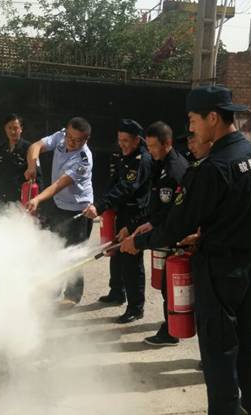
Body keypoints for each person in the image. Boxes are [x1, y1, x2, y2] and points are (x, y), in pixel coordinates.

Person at [121, 85, 251, 415]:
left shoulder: (213, 167)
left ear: (212, 118)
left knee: (219, 353)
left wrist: (138, 242)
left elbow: (175, 227)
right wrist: (205, 231)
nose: (190, 127)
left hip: (221, 273)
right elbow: (247, 210)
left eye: (192, 119)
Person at [83, 119, 152, 324]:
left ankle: (135, 307)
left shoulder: (141, 160)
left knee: (131, 260)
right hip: (121, 212)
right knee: (116, 253)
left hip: (135, 216)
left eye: (126, 141)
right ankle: (116, 292)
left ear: (136, 140)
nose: (122, 144)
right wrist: (101, 204)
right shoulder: (124, 156)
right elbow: (113, 184)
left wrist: (100, 207)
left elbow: (126, 188)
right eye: (119, 140)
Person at [25, 117, 94, 306]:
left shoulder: (83, 160)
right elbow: (36, 146)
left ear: (85, 139)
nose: (71, 142)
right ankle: (52, 291)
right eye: (69, 137)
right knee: (54, 247)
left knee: (73, 253)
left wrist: (37, 199)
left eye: (77, 140)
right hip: (58, 204)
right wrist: (32, 165)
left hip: (78, 209)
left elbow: (58, 185)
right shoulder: (61, 136)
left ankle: (72, 296)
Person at [131, 121, 189, 345]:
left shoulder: (173, 170)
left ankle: (171, 331)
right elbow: (160, 207)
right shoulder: (161, 163)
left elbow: (172, 211)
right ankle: (172, 324)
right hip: (163, 227)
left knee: (171, 285)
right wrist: (149, 222)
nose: (150, 150)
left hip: (175, 236)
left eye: (154, 146)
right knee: (168, 284)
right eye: (148, 146)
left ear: (167, 143)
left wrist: (149, 231)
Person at [0, 114, 36, 206]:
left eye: (15, 128)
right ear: (5, 129)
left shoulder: (29, 148)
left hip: (21, 200)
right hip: (2, 199)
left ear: (21, 129)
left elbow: (37, 177)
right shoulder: (0, 149)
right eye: (9, 128)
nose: (12, 131)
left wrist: (35, 200)